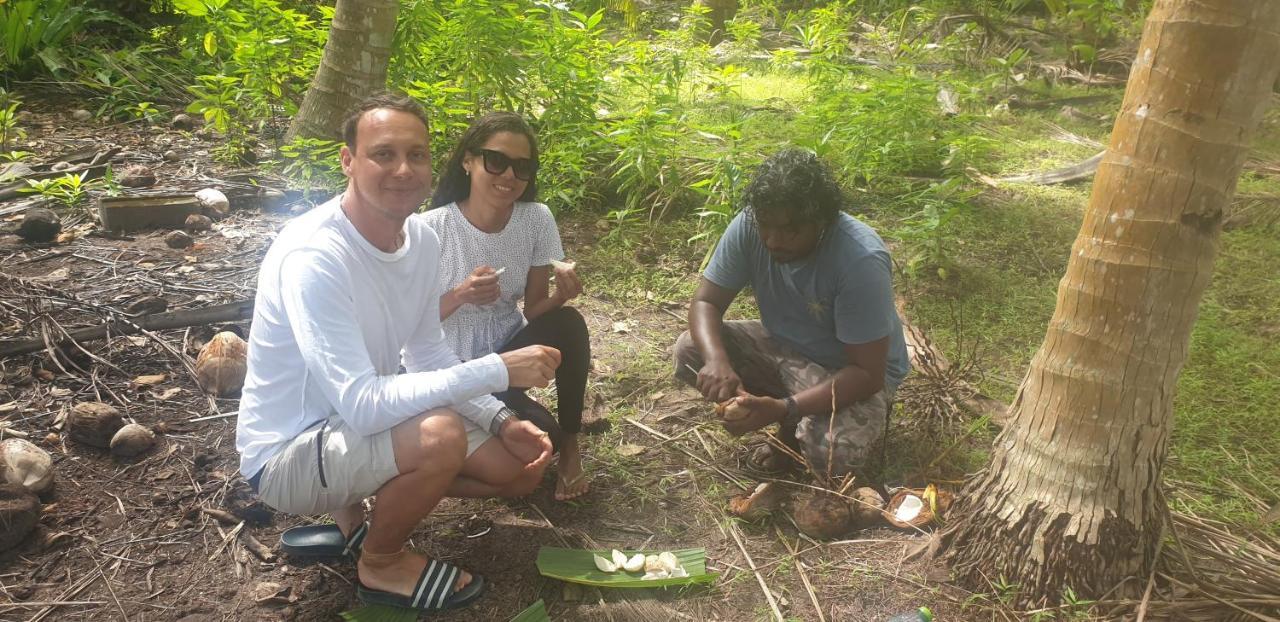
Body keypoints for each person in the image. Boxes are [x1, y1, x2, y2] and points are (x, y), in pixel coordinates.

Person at [235, 94, 562, 614]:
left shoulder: (420, 241)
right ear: (348, 160)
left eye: (417, 155)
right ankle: (380, 560)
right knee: (439, 435)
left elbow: (429, 352)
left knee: (520, 468)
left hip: (350, 429)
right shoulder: (315, 255)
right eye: (383, 154)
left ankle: (360, 522)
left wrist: (501, 420)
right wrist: (497, 369)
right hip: (286, 454)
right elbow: (363, 403)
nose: (404, 169)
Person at [673, 148, 910, 482]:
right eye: (766, 226)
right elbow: (706, 303)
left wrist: (785, 408)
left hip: (848, 369)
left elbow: (867, 374)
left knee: (833, 453)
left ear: (822, 222)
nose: (773, 240)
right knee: (691, 351)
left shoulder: (860, 261)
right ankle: (790, 418)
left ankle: (794, 427)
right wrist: (717, 361)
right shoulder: (750, 225)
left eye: (790, 230)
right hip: (786, 344)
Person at [424, 112, 592, 501]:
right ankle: (504, 425)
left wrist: (561, 296)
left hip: (508, 352)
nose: (509, 176)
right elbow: (408, 325)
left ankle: (571, 443)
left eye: (523, 166)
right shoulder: (430, 228)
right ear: (468, 161)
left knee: (568, 322)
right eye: (496, 161)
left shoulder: (535, 219)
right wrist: (459, 295)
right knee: (533, 445)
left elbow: (534, 310)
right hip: (454, 364)